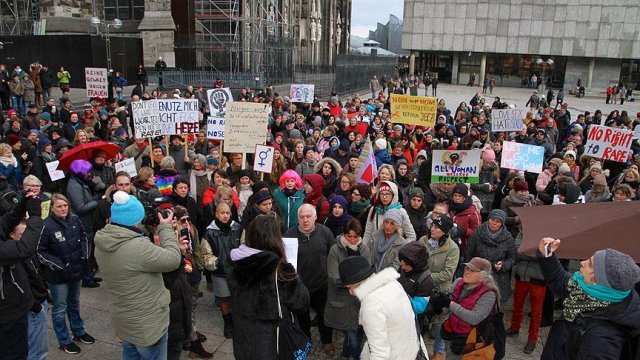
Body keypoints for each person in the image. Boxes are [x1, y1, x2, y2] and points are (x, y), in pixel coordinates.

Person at [94, 192, 185, 359]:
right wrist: (165, 228)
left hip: (125, 321)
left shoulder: (102, 241)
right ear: (136, 220)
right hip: (148, 325)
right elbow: (173, 259)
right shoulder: (137, 247)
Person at [537, 238, 640, 359]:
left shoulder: (602, 339)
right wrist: (547, 255)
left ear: (598, 281)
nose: (582, 263)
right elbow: (561, 281)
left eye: (590, 265)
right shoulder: (587, 292)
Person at [225, 214, 310, 360]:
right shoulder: (281, 270)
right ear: (275, 239)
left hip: (243, 338)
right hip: (271, 343)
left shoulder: (234, 262)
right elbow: (301, 303)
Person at [36, 194, 95, 354]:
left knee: (74, 304)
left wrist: (84, 255)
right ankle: (64, 340)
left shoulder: (75, 220)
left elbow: (84, 237)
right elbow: (40, 251)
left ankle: (78, 331)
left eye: (65, 205)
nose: (63, 209)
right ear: (52, 208)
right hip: (58, 277)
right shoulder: (46, 226)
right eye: (59, 206)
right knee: (60, 308)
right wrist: (59, 265)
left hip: (76, 271)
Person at [338, 256, 421, 359]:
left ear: (360, 283)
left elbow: (380, 354)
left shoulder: (371, 305)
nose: (350, 292)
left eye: (350, 287)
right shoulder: (393, 284)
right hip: (410, 349)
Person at [283, 204, 336, 356]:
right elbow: (285, 261)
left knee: (323, 315)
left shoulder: (325, 232)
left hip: (321, 284)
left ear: (315, 217)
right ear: (297, 218)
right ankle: (305, 340)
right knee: (302, 316)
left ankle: (327, 341)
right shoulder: (289, 235)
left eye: (308, 216)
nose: (305, 220)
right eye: (302, 217)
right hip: (300, 285)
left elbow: (332, 255)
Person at [0, 190, 43, 359]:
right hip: (7, 316)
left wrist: (21, 205)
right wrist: (35, 217)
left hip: (14, 307)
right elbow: (24, 249)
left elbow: (4, 223)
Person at [430, 257, 499, 359]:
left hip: (471, 341)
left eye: (472, 270)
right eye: (467, 268)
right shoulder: (459, 282)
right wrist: (438, 309)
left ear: (483, 276)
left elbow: (474, 318)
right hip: (452, 334)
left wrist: (450, 304)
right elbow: (449, 309)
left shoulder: (489, 294)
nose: (467, 272)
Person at [325, 219, 370, 360]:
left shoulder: (364, 249)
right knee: (350, 331)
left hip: (359, 298)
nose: (351, 240)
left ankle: (348, 354)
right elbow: (333, 275)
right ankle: (351, 355)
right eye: (349, 236)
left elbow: (368, 272)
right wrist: (354, 284)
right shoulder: (335, 249)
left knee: (353, 331)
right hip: (341, 297)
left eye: (355, 237)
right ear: (343, 234)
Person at [202, 202, 242, 339]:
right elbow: (206, 254)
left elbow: (244, 247)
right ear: (216, 214)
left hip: (236, 271)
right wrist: (217, 263)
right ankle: (228, 323)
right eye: (222, 213)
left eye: (227, 213)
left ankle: (237, 321)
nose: (225, 216)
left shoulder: (238, 228)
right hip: (220, 272)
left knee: (236, 298)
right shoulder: (209, 232)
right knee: (224, 298)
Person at [465, 209, 515, 303]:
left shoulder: (508, 238)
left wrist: (503, 265)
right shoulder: (477, 233)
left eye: (498, 221)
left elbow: (512, 258)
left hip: (498, 277)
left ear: (502, 223)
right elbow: (468, 253)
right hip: (479, 273)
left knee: (494, 302)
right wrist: (469, 269)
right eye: (492, 220)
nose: (494, 223)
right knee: (476, 301)